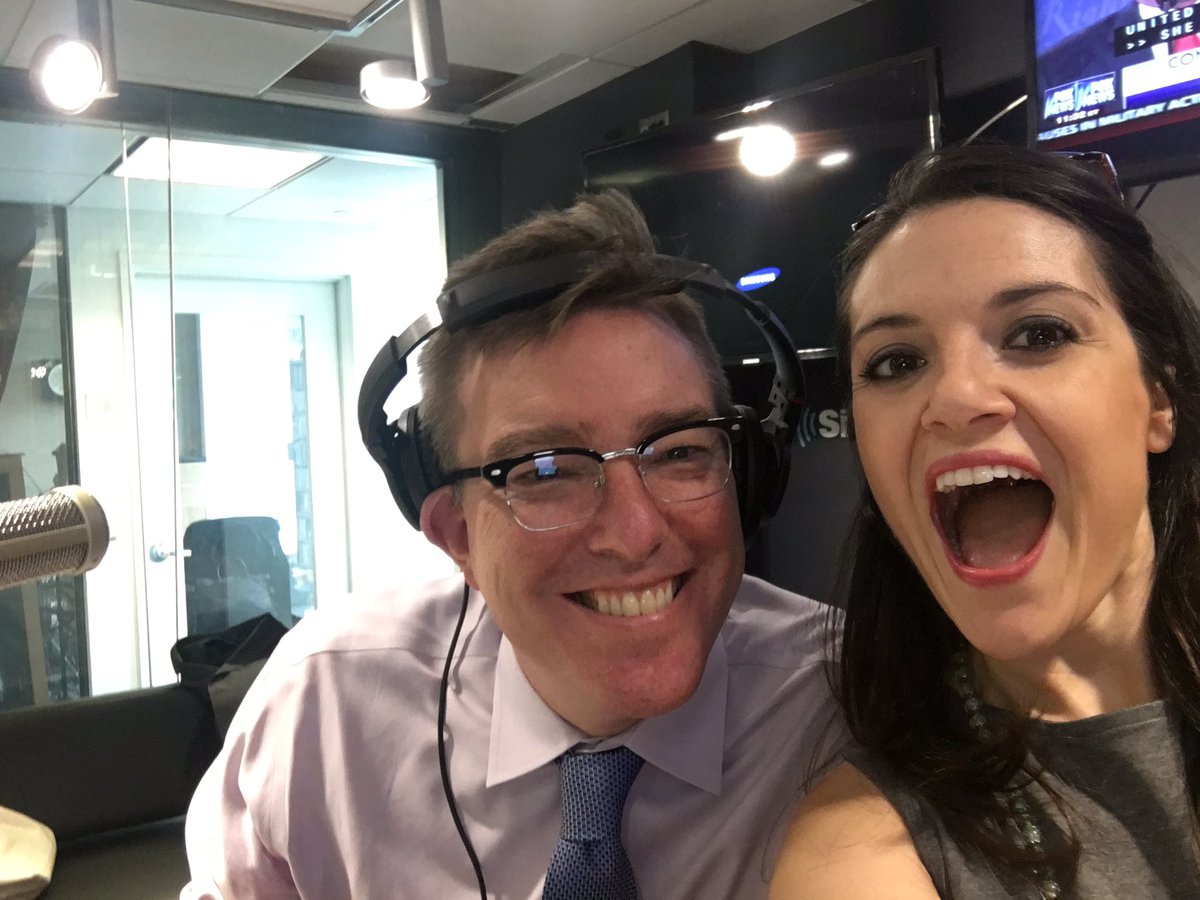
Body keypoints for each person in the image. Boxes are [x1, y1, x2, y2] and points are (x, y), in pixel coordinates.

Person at [182, 190, 842, 899]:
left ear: (749, 477)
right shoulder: (323, 710)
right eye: (546, 472)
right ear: (458, 536)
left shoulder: (846, 702)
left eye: (679, 452)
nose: (636, 534)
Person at [768, 142, 1200, 899]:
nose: (958, 398)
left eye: (1039, 334)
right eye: (897, 362)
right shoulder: (861, 853)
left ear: (1157, 399)